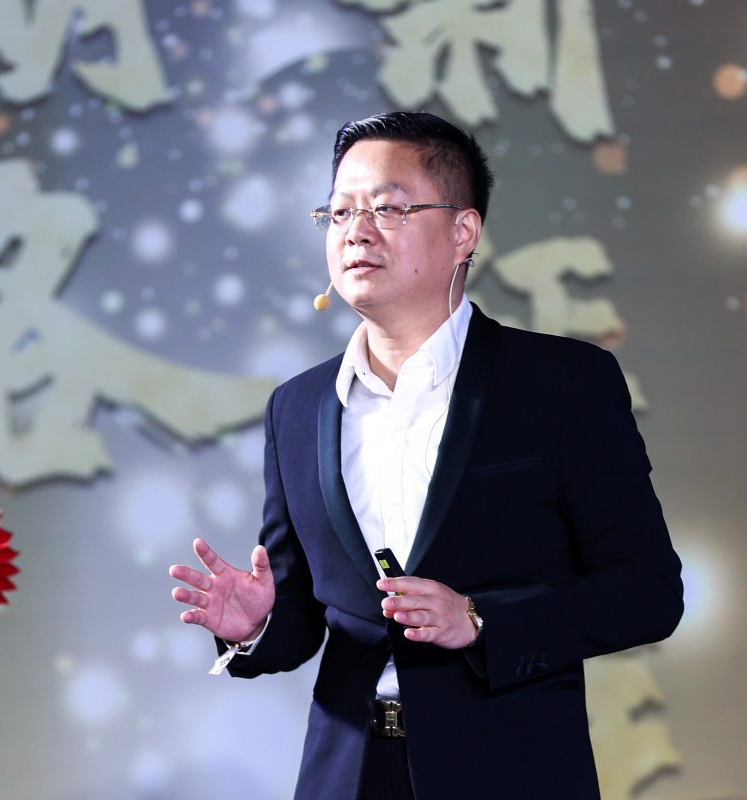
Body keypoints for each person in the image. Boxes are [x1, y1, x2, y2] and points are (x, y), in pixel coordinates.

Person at [169, 111, 683, 800]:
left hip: (510, 772)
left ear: (463, 232)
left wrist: (479, 620)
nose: (356, 231)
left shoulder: (561, 383)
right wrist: (258, 624)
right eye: (340, 211)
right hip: (348, 776)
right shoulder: (296, 407)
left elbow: (647, 593)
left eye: (388, 208)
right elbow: (305, 617)